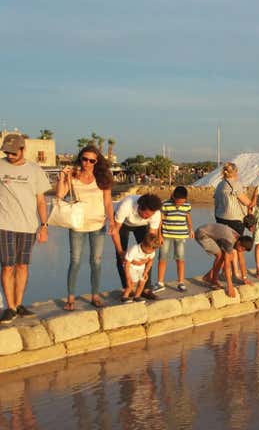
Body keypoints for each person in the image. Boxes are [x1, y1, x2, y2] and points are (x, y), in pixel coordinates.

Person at [55, 146, 114, 311]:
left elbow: (108, 202)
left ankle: (95, 295)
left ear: (97, 161)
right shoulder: (73, 175)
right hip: (77, 224)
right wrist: (62, 178)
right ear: (80, 158)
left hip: (98, 224)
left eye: (91, 160)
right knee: (75, 261)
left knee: (96, 261)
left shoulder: (102, 177)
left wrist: (113, 222)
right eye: (84, 159)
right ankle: (71, 298)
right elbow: (59, 196)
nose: (87, 163)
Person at [0, 134, 50, 324]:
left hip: (28, 226)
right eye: (7, 152)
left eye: (13, 152)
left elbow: (41, 201)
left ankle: (19, 304)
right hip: (4, 224)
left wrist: (44, 225)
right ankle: (10, 307)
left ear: (23, 150)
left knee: (22, 265)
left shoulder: (35, 170)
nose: (10, 155)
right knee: (7, 265)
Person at [111, 193, 163, 299]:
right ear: (140, 208)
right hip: (123, 224)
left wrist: (147, 257)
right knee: (122, 256)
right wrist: (121, 252)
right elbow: (115, 231)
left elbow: (151, 237)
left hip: (141, 226)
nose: (148, 217)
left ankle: (146, 289)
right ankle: (127, 287)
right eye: (146, 215)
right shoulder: (126, 206)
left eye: (150, 216)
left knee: (147, 253)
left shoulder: (155, 213)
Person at [195, 223, 253, 298]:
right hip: (202, 234)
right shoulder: (230, 241)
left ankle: (208, 277)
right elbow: (227, 265)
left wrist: (244, 278)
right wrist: (230, 286)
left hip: (210, 234)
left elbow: (241, 260)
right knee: (221, 256)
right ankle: (213, 281)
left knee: (227, 256)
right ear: (239, 243)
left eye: (244, 250)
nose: (242, 251)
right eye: (242, 249)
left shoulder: (239, 239)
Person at [153, 186, 193, 293]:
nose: (179, 203)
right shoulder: (165, 204)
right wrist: (159, 235)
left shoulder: (187, 205)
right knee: (162, 258)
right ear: (173, 197)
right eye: (177, 201)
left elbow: (188, 217)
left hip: (180, 236)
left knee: (180, 258)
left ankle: (181, 282)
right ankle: (160, 282)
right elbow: (160, 220)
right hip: (165, 234)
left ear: (185, 199)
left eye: (182, 201)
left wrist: (191, 229)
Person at [214, 162, 253, 235]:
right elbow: (247, 202)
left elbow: (216, 204)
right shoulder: (236, 184)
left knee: (224, 244)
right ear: (235, 172)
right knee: (236, 245)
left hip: (220, 218)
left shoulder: (220, 185)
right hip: (234, 220)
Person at [121, 233, 159, 303]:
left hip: (141, 268)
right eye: (149, 250)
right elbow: (127, 263)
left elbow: (150, 261)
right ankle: (125, 296)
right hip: (131, 268)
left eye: (153, 250)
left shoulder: (152, 251)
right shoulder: (134, 249)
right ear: (144, 245)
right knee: (131, 284)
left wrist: (146, 272)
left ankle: (137, 296)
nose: (150, 252)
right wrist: (128, 276)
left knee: (142, 282)